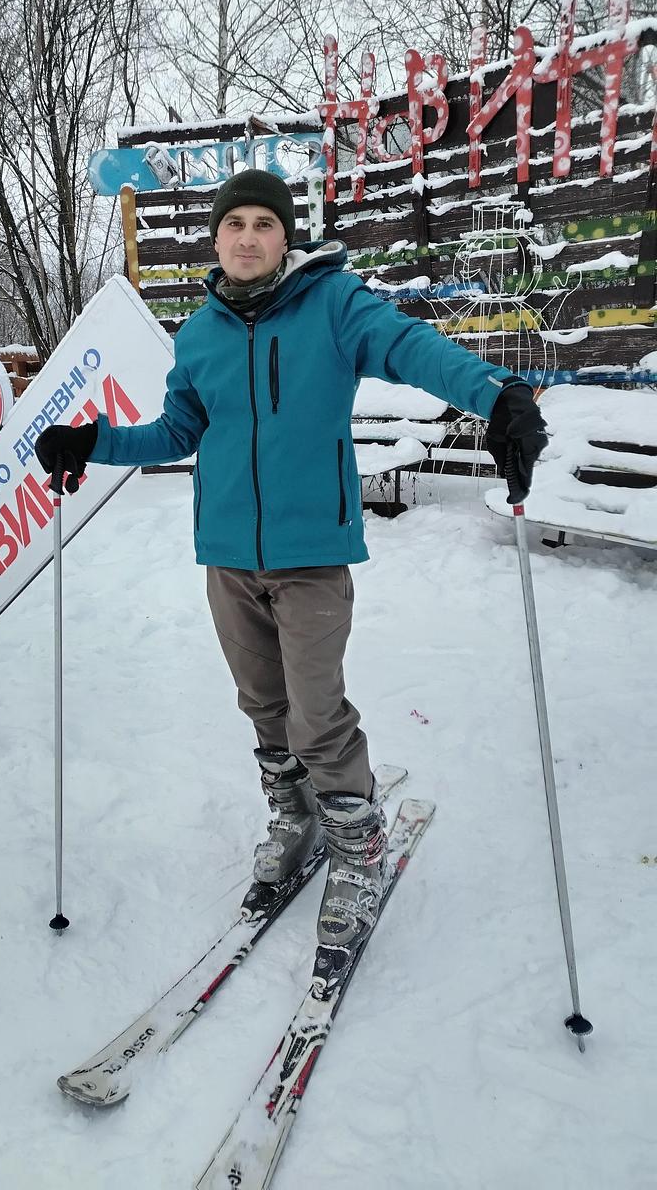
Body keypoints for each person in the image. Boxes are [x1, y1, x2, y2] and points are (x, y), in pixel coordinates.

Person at [35, 169, 547, 987]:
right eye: (232, 222)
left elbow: (414, 350)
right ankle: (293, 814)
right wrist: (88, 442)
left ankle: (355, 839)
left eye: (263, 224)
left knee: (316, 713)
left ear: (286, 237)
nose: (246, 237)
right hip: (228, 555)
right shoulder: (198, 334)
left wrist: (497, 394)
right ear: (215, 239)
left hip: (312, 555)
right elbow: (176, 429)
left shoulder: (335, 305)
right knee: (261, 703)